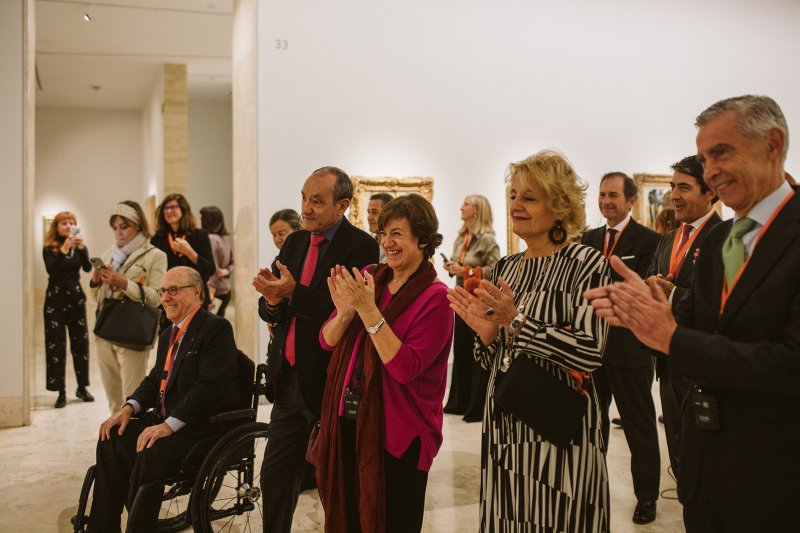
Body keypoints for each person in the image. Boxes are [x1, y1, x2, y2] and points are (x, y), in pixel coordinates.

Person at [586, 95, 800, 532]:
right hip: (706, 475)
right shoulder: (723, 238)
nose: (711, 170)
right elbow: (717, 319)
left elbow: (790, 363)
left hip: (777, 480)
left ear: (773, 145)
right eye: (704, 158)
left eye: (721, 152)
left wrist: (670, 338)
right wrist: (662, 304)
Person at [448, 150, 611, 532]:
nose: (516, 205)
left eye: (530, 198)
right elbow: (496, 361)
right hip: (505, 429)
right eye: (513, 195)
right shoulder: (507, 267)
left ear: (559, 207)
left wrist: (517, 322)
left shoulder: (587, 264)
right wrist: (488, 340)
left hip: (558, 431)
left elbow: (590, 350)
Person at [316, 194, 454, 532]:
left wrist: (367, 311)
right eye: (382, 233)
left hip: (400, 435)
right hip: (350, 419)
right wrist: (347, 314)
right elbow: (326, 340)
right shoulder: (369, 277)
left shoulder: (436, 298)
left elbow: (405, 367)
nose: (386, 243)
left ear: (422, 239)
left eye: (396, 234)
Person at [254, 166, 379, 533]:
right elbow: (273, 308)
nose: (306, 209)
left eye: (317, 201)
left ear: (342, 206)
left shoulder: (360, 247)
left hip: (331, 379)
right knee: (275, 476)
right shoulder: (294, 243)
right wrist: (273, 300)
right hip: (288, 375)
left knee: (335, 483)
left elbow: (343, 311)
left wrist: (292, 293)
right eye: (303, 198)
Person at [87, 266, 240, 533]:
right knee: (111, 435)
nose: (166, 297)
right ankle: (102, 527)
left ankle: (140, 527)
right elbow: (154, 379)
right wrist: (128, 407)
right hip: (165, 418)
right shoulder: (168, 333)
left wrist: (169, 425)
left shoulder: (216, 328)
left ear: (196, 293)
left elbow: (209, 387)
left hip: (199, 426)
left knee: (150, 449)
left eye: (173, 290)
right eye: (163, 291)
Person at [580, 171, 661, 524]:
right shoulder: (588, 238)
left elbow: (641, 293)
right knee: (591, 424)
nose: (605, 201)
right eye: (601, 195)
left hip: (630, 349)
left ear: (631, 200)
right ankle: (592, 488)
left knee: (638, 425)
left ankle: (647, 498)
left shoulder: (649, 240)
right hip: (591, 349)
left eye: (613, 195)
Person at [646, 155, 721, 481]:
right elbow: (653, 284)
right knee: (677, 445)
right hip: (668, 361)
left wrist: (672, 294)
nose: (674, 195)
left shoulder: (725, 236)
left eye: (685, 187)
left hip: (704, 363)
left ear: (710, 193)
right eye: (672, 186)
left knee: (707, 456)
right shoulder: (667, 239)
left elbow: (719, 305)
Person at [91, 201, 167, 413]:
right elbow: (96, 297)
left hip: (133, 334)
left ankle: (134, 442)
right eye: (115, 228)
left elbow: (157, 298)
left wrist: (123, 283)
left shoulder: (156, 256)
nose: (119, 232)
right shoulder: (109, 254)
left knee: (133, 400)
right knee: (114, 401)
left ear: (138, 225)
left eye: (124, 226)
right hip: (105, 332)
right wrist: (96, 281)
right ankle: (117, 442)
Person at [442, 194, 500, 422]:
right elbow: (461, 265)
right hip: (461, 299)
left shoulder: (488, 240)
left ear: (477, 211)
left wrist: (465, 271)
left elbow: (495, 268)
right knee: (463, 350)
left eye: (465, 204)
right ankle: (460, 401)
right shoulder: (461, 238)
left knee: (477, 352)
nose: (461, 207)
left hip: (478, 302)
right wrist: (452, 268)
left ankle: (476, 404)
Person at [42, 211, 94, 408]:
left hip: (76, 300)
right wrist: (64, 249)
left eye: (71, 222)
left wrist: (82, 248)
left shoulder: (78, 247)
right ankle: (61, 391)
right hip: (54, 301)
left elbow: (88, 268)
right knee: (56, 345)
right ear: (56, 227)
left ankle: (82, 387)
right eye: (64, 223)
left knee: (80, 344)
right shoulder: (49, 248)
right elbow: (52, 270)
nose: (68, 225)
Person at [150, 193, 215, 315]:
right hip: (168, 298)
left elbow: (210, 269)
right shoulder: (157, 239)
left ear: (183, 210)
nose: (169, 211)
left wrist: (189, 252)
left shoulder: (200, 235)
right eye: (166, 208)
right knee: (170, 333)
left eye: (173, 207)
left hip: (194, 296)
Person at [199, 206, 234, 317]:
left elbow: (213, 270)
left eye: (201, 218)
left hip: (215, 292)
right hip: (225, 291)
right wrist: (226, 271)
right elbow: (233, 264)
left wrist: (210, 294)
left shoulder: (211, 239)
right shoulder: (222, 239)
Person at [367, 192, 394, 263]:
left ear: (388, 214)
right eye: (368, 212)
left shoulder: (394, 246)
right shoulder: (368, 245)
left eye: (374, 212)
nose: (369, 217)